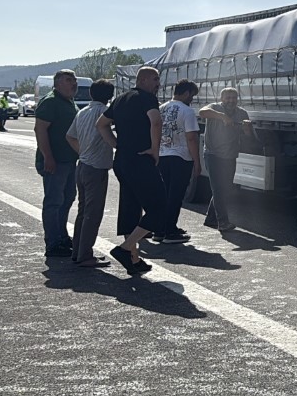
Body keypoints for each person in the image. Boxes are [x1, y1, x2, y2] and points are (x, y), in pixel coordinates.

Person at [96, 66, 166, 275]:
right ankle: (126, 249)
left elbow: (101, 124)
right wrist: (155, 149)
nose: (158, 84)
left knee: (131, 207)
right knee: (159, 206)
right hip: (141, 159)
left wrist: (117, 144)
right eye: (155, 79)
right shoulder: (146, 98)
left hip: (123, 160)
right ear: (143, 80)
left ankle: (134, 259)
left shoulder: (120, 99)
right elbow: (156, 121)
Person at [65, 79, 116, 268]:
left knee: (83, 211)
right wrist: (118, 145)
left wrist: (83, 151)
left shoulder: (82, 112)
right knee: (93, 214)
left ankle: (78, 251)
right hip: (96, 168)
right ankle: (85, 255)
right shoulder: (104, 112)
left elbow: (69, 136)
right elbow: (105, 133)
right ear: (110, 96)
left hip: (83, 164)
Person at [34, 70, 80, 258]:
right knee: (54, 202)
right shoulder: (50, 101)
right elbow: (40, 129)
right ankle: (52, 243)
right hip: (56, 161)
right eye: (69, 80)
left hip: (69, 160)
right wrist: (48, 157)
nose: (74, 83)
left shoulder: (68, 101)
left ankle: (62, 236)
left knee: (67, 199)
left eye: (74, 80)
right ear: (57, 82)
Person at [198, 87, 254, 232]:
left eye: (233, 98)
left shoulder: (242, 113)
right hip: (213, 154)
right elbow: (202, 112)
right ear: (222, 99)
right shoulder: (215, 108)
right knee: (218, 188)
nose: (231, 100)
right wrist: (222, 117)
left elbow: (248, 137)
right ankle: (222, 222)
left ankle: (210, 219)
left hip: (230, 155)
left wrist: (247, 129)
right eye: (228, 98)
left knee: (225, 189)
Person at [156, 79, 200, 243]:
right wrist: (197, 162)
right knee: (176, 195)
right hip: (181, 156)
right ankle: (170, 231)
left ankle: (161, 229)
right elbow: (192, 138)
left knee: (164, 194)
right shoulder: (187, 111)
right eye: (192, 96)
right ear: (187, 93)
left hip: (162, 154)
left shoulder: (162, 108)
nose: (192, 99)